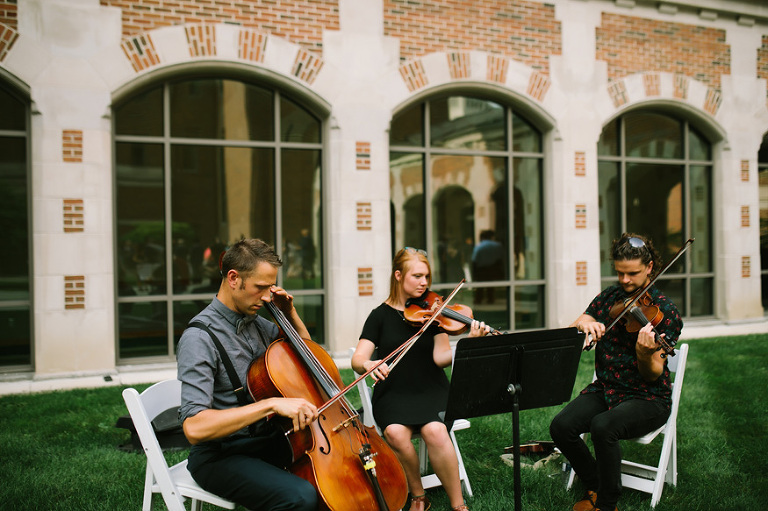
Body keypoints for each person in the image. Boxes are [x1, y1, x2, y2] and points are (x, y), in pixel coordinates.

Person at [177, 238, 319, 511]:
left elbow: (308, 359)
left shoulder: (259, 325)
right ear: (233, 278)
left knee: (340, 472)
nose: (267, 297)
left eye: (271, 287)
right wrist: (270, 404)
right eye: (260, 288)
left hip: (266, 440)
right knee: (301, 497)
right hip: (221, 454)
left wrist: (289, 312)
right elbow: (194, 428)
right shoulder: (198, 338)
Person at [549, 233, 683, 511]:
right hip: (607, 389)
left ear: (649, 268)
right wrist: (585, 326)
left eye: (632, 274)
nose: (624, 281)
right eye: (620, 273)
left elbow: (653, 374)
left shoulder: (665, 312)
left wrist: (644, 352)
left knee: (603, 425)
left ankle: (607, 504)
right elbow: (581, 320)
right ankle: (596, 484)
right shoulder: (610, 297)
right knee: (561, 426)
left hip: (647, 397)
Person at [351, 247, 491, 511]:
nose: (424, 283)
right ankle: (418, 495)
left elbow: (440, 357)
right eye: (416, 276)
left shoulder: (435, 313)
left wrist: (468, 344)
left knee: (436, 431)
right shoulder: (379, 316)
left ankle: (458, 504)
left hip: (431, 389)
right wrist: (370, 363)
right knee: (394, 433)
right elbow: (358, 360)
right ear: (398, 276)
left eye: (426, 276)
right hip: (394, 393)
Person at [471, 230, 504, 304]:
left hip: (481, 269)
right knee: (490, 286)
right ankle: (490, 299)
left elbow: (474, 259)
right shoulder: (498, 245)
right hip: (493, 267)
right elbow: (501, 257)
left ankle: (478, 300)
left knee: (480, 286)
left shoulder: (479, 246)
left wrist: (474, 272)